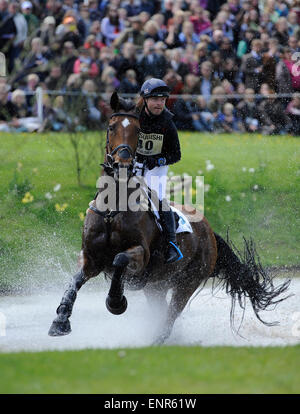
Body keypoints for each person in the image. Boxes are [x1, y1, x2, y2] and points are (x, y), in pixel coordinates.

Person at [134, 78, 183, 264]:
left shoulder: (167, 122)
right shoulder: (135, 117)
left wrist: (158, 159)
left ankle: (172, 243)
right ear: (145, 99)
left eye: (163, 99)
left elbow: (176, 154)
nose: (159, 103)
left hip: (157, 167)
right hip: (135, 162)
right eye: (155, 99)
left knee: (157, 199)